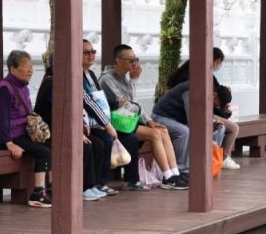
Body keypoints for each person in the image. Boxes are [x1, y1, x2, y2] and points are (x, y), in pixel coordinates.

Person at [99, 44, 188, 190]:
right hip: (116, 123)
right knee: (154, 134)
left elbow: (135, 105)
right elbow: (130, 106)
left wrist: (149, 121)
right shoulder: (107, 80)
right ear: (118, 61)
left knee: (162, 130)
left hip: (128, 121)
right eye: (131, 60)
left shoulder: (124, 78)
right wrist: (134, 81)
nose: (135, 64)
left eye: (136, 59)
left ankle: (175, 173)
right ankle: (167, 177)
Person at [0, 50, 51, 208]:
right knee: (43, 152)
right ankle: (38, 193)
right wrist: (8, 143)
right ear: (13, 68)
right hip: (8, 136)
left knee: (50, 146)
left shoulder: (23, 87)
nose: (31, 70)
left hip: (21, 133)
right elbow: (1, 120)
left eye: (31, 66)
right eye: (26, 67)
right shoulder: (4, 89)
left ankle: (50, 189)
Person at [35, 55, 107, 202]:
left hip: (65, 129)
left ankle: (93, 184)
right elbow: (61, 113)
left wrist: (82, 125)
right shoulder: (52, 83)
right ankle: (84, 187)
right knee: (85, 146)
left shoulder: (67, 81)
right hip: (51, 131)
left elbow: (77, 107)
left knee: (98, 143)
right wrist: (76, 133)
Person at [81, 40, 144, 192]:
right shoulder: (106, 78)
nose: (91, 55)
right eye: (86, 52)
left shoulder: (91, 74)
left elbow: (131, 106)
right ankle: (95, 184)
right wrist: (107, 124)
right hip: (94, 123)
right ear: (118, 60)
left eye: (93, 52)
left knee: (132, 138)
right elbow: (88, 102)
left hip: (104, 121)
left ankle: (131, 181)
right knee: (102, 141)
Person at [151, 79, 233, 178]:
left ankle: (209, 166)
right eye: (218, 104)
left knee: (220, 128)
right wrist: (209, 140)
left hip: (179, 120)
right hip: (162, 117)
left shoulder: (206, 94)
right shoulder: (189, 91)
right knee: (184, 132)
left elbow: (202, 118)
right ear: (214, 95)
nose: (217, 107)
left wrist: (214, 124)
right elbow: (193, 122)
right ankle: (182, 171)